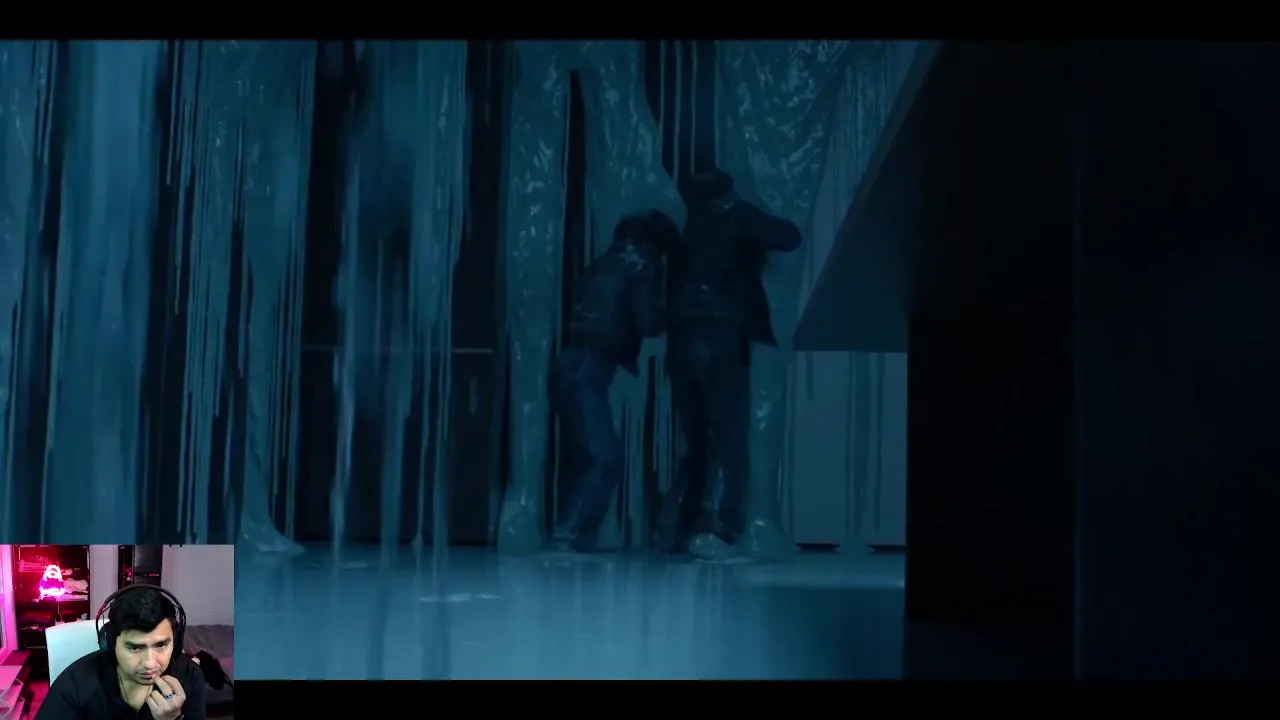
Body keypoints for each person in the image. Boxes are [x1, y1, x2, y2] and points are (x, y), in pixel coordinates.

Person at [655, 169, 801, 561]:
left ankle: (673, 529)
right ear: (728, 192)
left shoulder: (686, 232)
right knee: (727, 433)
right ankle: (714, 529)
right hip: (721, 332)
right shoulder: (733, 216)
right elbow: (789, 237)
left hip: (681, 336)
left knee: (696, 440)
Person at [547, 209, 678, 553]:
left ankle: (574, 533)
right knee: (603, 457)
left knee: (589, 455)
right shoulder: (642, 265)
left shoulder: (602, 262)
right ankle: (570, 534)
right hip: (589, 366)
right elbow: (648, 321)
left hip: (570, 361)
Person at [36, 585, 206, 720]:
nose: (149, 663)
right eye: (135, 648)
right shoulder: (76, 683)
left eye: (161, 645)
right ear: (110, 643)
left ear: (175, 642)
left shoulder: (190, 676)